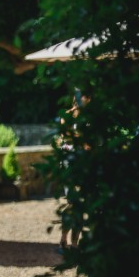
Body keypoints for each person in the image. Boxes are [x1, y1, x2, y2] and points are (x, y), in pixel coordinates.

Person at [57, 90, 91, 253]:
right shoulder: (67, 116)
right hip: (70, 164)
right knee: (73, 203)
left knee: (80, 205)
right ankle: (64, 239)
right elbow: (65, 137)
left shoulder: (90, 120)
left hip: (84, 164)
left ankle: (74, 243)